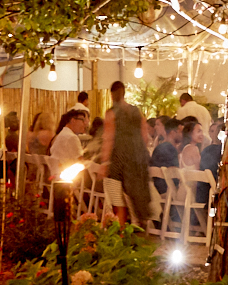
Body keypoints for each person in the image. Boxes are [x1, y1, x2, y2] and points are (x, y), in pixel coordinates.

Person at [99, 81, 152, 225]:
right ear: (124, 93)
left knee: (117, 199)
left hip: (117, 158)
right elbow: (145, 136)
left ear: (112, 94)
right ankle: (136, 228)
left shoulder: (111, 113)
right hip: (137, 157)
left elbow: (108, 138)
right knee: (135, 196)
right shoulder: (136, 111)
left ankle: (121, 230)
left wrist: (104, 162)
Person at [49, 109, 89, 177]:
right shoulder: (71, 137)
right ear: (73, 120)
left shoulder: (62, 134)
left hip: (56, 174)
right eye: (82, 120)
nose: (85, 123)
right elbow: (81, 160)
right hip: (67, 176)